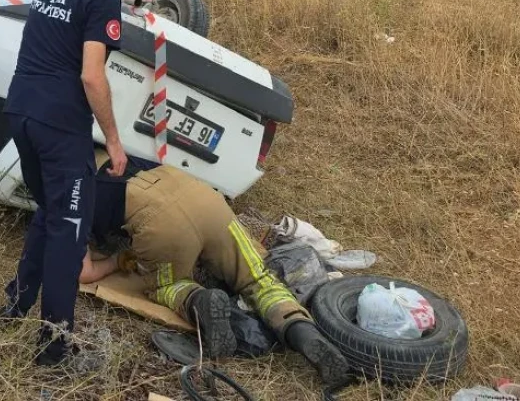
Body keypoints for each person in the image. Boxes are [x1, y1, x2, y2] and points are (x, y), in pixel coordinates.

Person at [79, 158, 351, 387]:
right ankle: (303, 332)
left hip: (160, 224)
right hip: (204, 198)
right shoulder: (119, 153)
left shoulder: (68, 194)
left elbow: (85, 273)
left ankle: (198, 301)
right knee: (259, 278)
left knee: (165, 286)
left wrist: (118, 260)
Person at [0, 0, 137, 366]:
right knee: (70, 230)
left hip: (21, 111)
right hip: (61, 126)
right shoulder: (102, 1)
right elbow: (92, 77)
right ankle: (53, 348)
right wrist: (114, 140)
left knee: (50, 210)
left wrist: (124, 0)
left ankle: (14, 306)